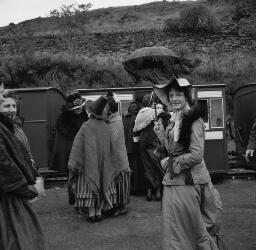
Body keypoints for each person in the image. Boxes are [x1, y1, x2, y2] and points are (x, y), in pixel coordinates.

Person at [153, 77, 223, 250]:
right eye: (171, 95)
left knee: (186, 230)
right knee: (177, 230)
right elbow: (173, 150)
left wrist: (172, 163)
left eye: (178, 95)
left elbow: (196, 155)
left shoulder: (193, 120)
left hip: (188, 182)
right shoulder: (173, 120)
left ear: (186, 97)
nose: (174, 98)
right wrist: (162, 135)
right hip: (175, 182)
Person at [0, 99, 47, 249]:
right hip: (9, 192)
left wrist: (31, 170)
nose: (12, 109)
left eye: (14, 106)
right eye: (7, 106)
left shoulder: (15, 127)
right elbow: (5, 162)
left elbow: (24, 152)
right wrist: (23, 185)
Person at [68, 96, 122, 223]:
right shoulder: (106, 127)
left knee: (90, 188)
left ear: (91, 112)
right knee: (102, 182)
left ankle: (91, 214)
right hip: (104, 166)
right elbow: (112, 149)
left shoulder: (85, 126)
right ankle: (99, 213)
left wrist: (74, 162)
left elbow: (77, 146)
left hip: (88, 166)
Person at [133, 93, 164, 201]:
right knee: (157, 167)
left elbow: (135, 131)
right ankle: (159, 192)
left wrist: (137, 142)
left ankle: (150, 193)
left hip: (143, 145)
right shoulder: (153, 112)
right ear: (151, 103)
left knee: (148, 169)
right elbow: (166, 115)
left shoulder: (139, 114)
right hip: (152, 143)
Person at [50, 92, 88, 173]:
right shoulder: (64, 119)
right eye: (76, 107)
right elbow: (63, 133)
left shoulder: (84, 115)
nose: (79, 109)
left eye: (80, 107)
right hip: (71, 153)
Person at [106, 93, 131, 216]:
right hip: (118, 158)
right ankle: (118, 205)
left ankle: (121, 207)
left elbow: (113, 140)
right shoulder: (114, 119)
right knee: (118, 184)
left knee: (120, 183)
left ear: (110, 109)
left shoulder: (114, 121)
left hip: (119, 159)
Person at [123, 101, 144, 194]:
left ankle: (129, 188)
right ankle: (137, 189)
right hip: (135, 148)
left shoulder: (123, 119)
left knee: (128, 169)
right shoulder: (137, 119)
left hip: (125, 148)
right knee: (137, 169)